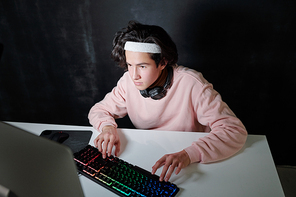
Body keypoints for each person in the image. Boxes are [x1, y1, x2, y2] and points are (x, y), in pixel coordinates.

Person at [88, 21, 247, 182]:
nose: (134, 75)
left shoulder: (192, 83)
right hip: (152, 158)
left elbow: (234, 131)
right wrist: (107, 128)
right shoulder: (127, 81)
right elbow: (98, 111)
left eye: (142, 66)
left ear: (163, 62)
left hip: (192, 163)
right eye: (130, 65)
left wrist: (189, 155)